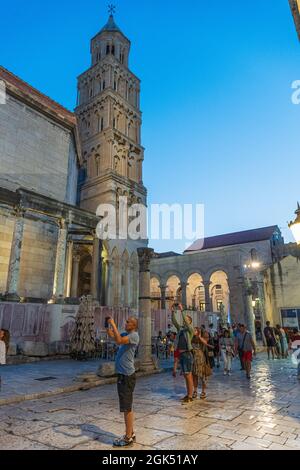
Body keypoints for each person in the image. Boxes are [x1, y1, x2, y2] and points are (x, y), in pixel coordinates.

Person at [106, 317, 139, 448]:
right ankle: (130, 432)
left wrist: (114, 323)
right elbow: (115, 336)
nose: (125, 323)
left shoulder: (134, 336)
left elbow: (119, 340)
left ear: (134, 325)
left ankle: (128, 437)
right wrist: (108, 327)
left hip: (127, 375)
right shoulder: (127, 334)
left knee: (127, 407)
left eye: (128, 322)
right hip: (123, 375)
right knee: (127, 406)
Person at [171, 303, 194, 404]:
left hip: (187, 354)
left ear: (190, 322)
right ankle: (188, 394)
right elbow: (174, 322)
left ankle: (190, 395)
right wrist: (172, 311)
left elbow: (185, 321)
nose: (185, 321)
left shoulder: (190, 330)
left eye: (187, 320)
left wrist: (182, 310)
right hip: (181, 355)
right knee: (185, 375)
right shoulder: (181, 330)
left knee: (188, 375)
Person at [192, 327, 211, 400]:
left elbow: (205, 343)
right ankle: (195, 390)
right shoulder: (192, 338)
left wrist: (200, 337)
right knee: (195, 376)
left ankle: (203, 391)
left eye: (195, 330)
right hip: (194, 359)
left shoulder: (202, 338)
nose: (194, 331)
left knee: (203, 376)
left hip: (201, 359)